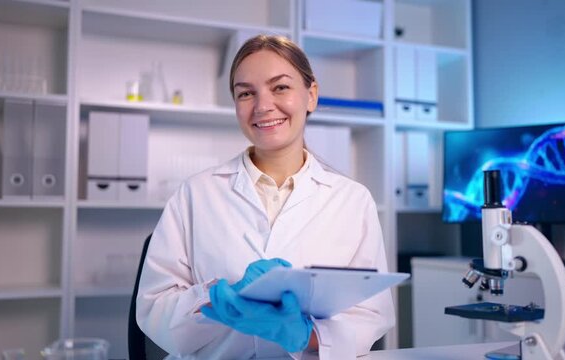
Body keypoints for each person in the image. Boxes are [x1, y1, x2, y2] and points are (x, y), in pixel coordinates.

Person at [136, 34, 395, 359]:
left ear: (311, 95)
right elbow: (153, 307)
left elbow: (371, 313)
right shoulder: (195, 193)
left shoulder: (353, 201)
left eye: (280, 87)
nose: (262, 105)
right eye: (246, 93)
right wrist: (214, 297)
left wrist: (308, 336)